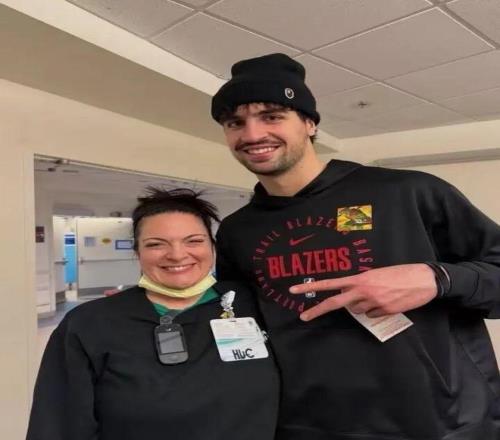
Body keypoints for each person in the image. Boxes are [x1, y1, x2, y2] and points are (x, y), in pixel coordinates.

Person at [211, 53, 500, 440]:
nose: (251, 134)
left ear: (310, 123)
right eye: (235, 123)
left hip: (439, 423)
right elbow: (238, 323)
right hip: (305, 425)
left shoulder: (407, 192)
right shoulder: (237, 230)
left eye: (272, 116)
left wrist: (437, 278)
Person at [26, 188, 279, 440]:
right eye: (156, 244)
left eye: (194, 241)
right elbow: (58, 425)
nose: (177, 255)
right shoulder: (89, 324)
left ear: (212, 247)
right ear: (137, 252)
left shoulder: (255, 304)